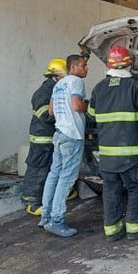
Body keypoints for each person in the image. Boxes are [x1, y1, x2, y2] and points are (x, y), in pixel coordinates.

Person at [88, 46, 138, 241]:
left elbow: (91, 115)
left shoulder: (99, 88)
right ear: (129, 64)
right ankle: (136, 229)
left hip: (107, 158)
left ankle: (113, 231)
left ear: (109, 65)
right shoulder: (133, 87)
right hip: (131, 156)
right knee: (137, 188)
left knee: (111, 192)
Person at [39, 54, 88, 237]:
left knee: (54, 175)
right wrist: (88, 108)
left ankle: (45, 216)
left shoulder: (58, 85)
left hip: (59, 134)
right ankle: (57, 220)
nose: (86, 69)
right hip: (72, 135)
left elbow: (51, 111)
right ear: (73, 68)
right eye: (83, 65)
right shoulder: (75, 81)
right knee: (66, 178)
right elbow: (76, 106)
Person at [21, 58, 68, 215]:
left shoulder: (55, 89)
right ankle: (31, 202)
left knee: (51, 169)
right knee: (38, 169)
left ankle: (47, 196)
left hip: (51, 138)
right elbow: (45, 115)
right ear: (56, 76)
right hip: (42, 139)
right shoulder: (43, 93)